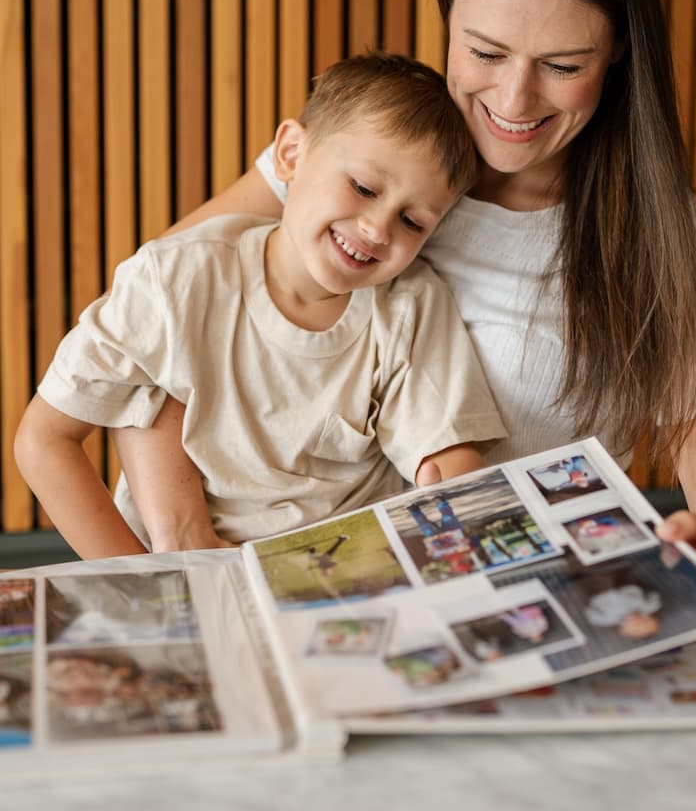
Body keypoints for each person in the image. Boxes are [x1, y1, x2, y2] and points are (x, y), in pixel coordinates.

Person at [47, 0, 696, 596]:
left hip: (465, 605)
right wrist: (180, 547)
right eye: (484, 52)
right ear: (448, 20)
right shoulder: (355, 166)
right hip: (204, 578)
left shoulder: (666, 243)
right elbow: (153, 316)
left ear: (619, 53)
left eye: (563, 65)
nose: (513, 96)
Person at [14, 53, 507, 558]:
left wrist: (455, 492)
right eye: (362, 188)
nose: (377, 229)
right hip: (189, 575)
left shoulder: (411, 307)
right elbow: (43, 441)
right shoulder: (174, 279)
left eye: (413, 222)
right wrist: (140, 582)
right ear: (291, 153)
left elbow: (444, 454)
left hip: (342, 587)